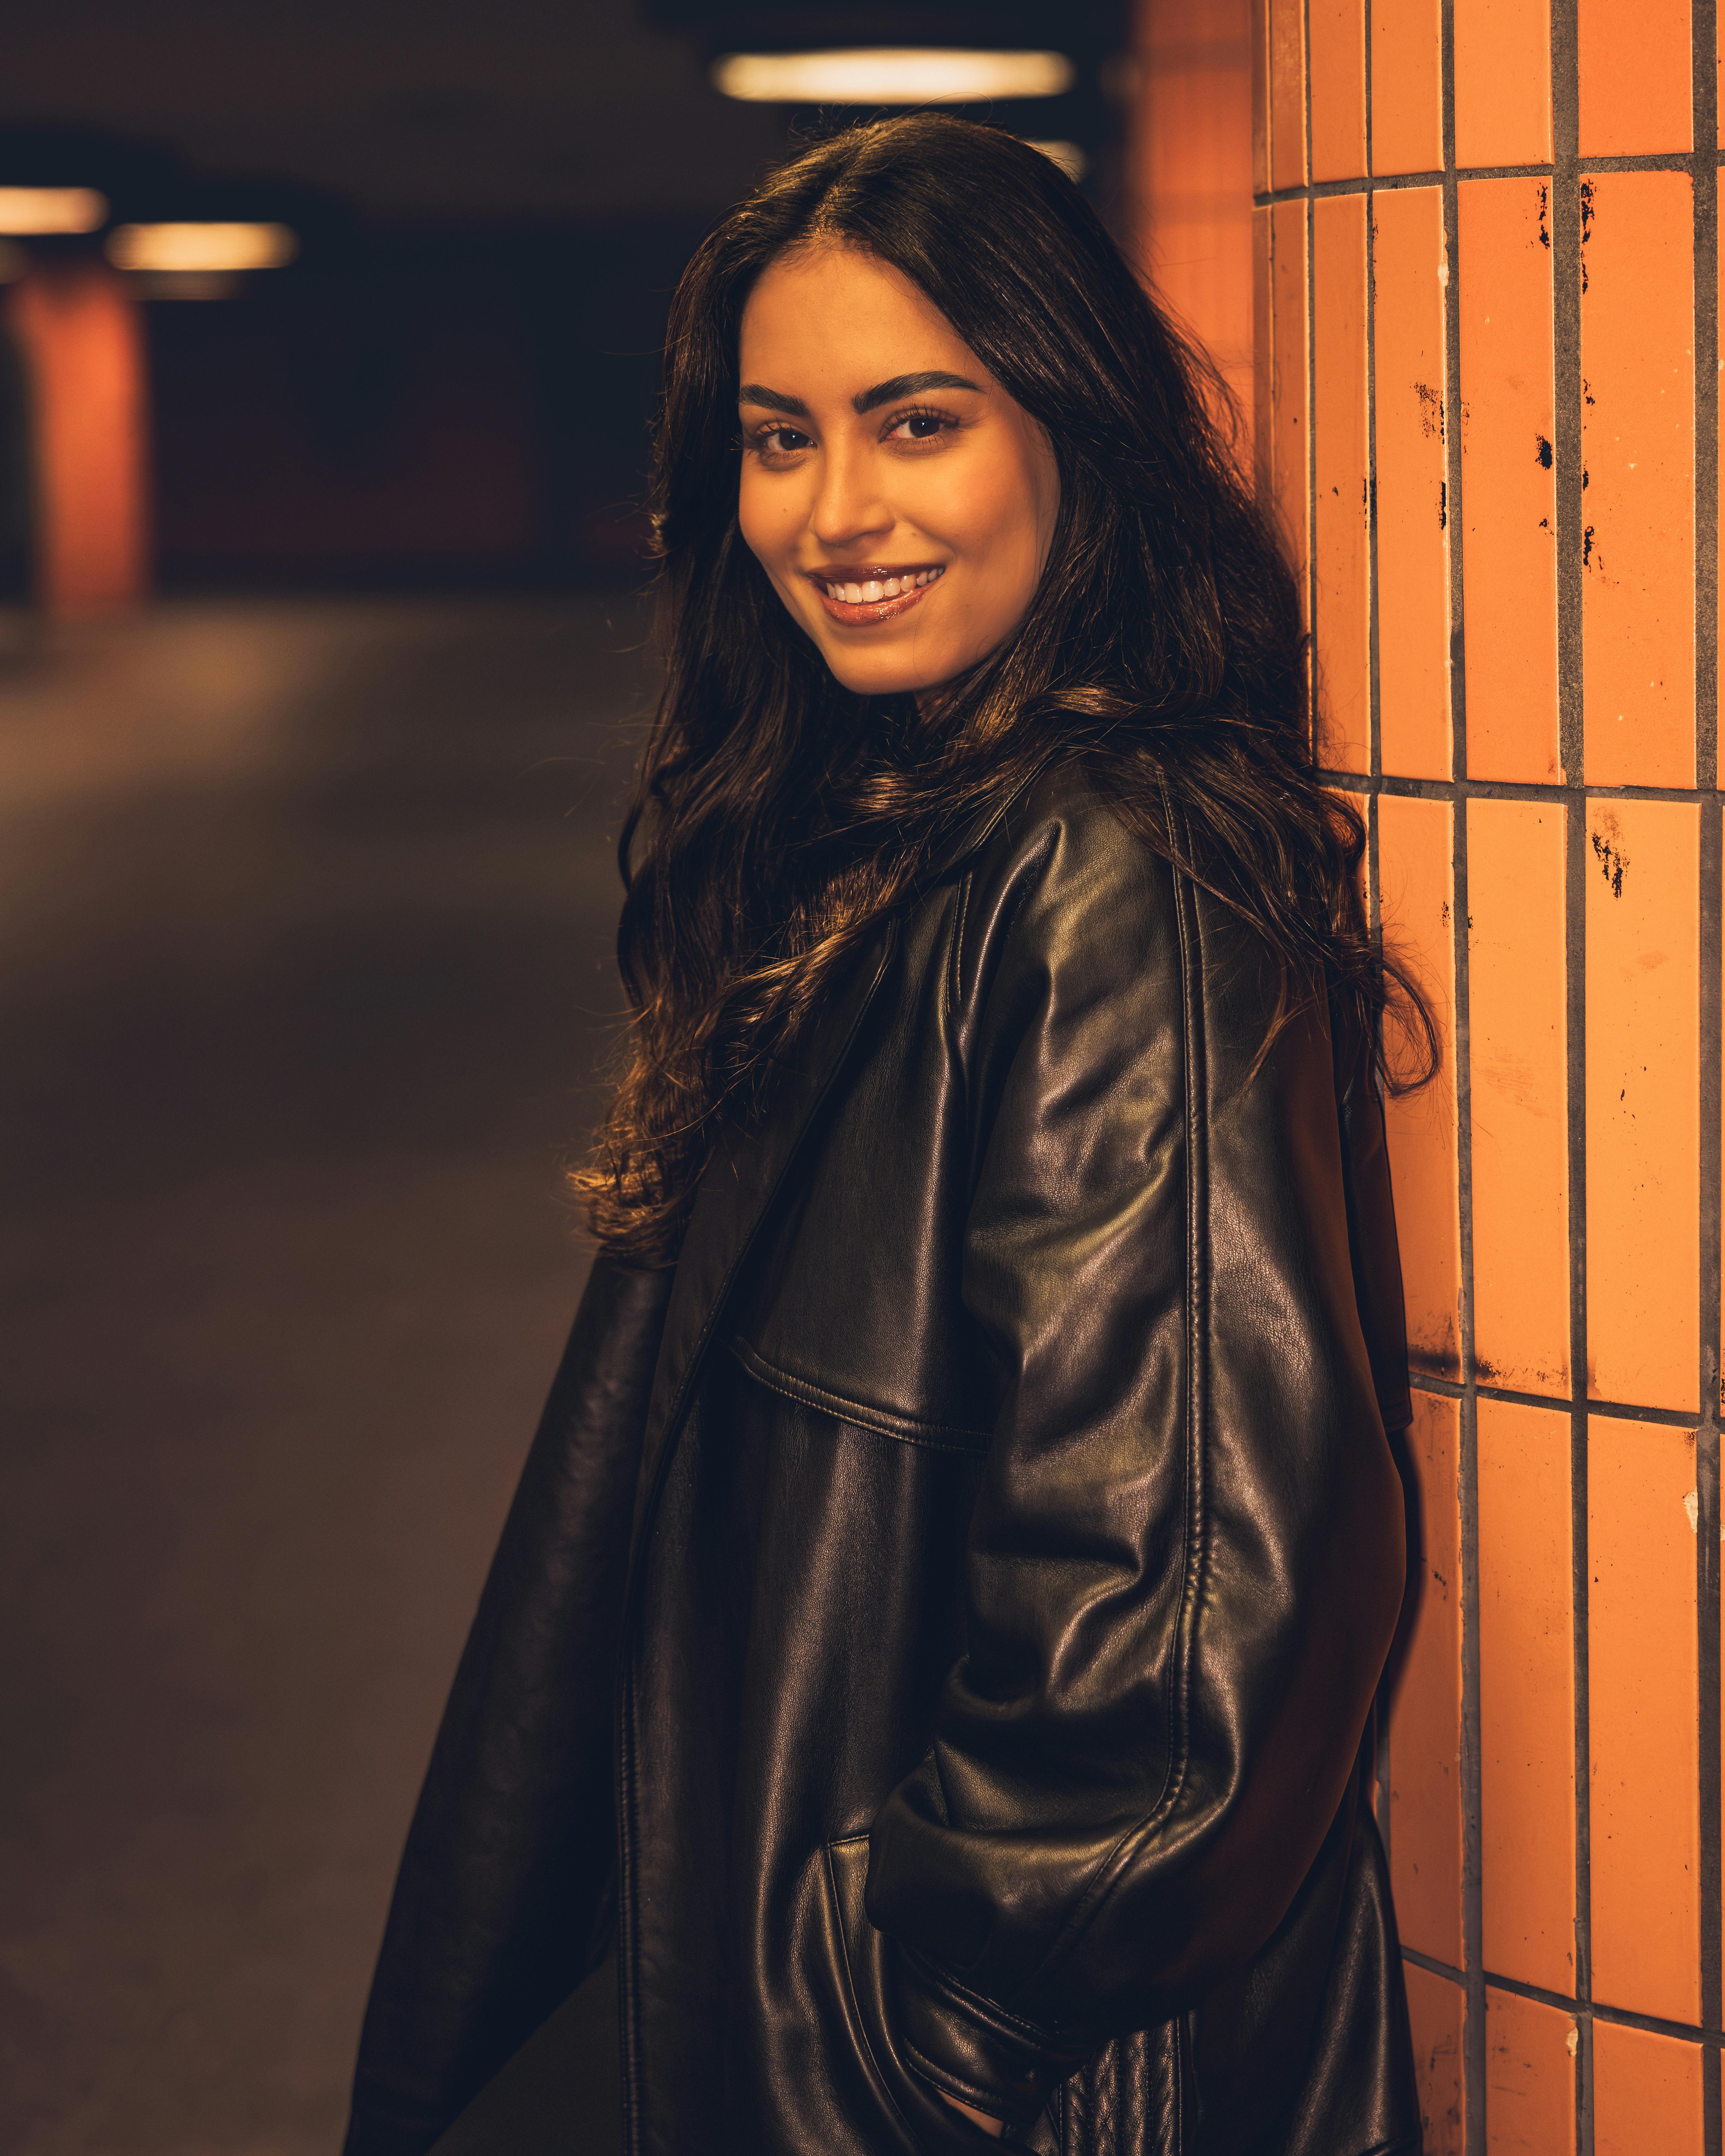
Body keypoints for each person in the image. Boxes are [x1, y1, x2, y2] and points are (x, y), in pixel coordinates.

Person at [343, 112, 1435, 2156]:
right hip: (773, 1941)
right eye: (779, 438)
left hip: (915, 2042)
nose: (833, 510)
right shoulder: (897, 833)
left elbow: (1188, 1613)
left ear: (1068, 436)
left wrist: (894, 2022)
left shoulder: (1112, 881)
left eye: (914, 424)